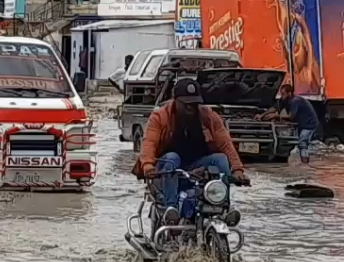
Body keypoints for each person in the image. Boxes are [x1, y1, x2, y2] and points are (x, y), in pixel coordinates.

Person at [132, 79, 249, 225]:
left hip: (196, 167)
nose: (191, 107)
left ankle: (224, 207)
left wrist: (237, 170)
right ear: (176, 101)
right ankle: (171, 208)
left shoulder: (208, 116)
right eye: (186, 104)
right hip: (166, 169)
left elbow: (225, 143)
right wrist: (148, 166)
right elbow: (149, 143)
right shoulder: (160, 117)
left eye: (194, 104)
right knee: (172, 158)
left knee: (220, 159)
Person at [257, 84, 319, 164]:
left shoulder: (296, 101)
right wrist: (262, 115)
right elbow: (274, 108)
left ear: (289, 93)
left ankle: (305, 164)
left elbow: (291, 117)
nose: (282, 96)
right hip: (301, 123)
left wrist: (276, 116)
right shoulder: (285, 100)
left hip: (309, 124)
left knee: (302, 143)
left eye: (283, 94)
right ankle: (304, 162)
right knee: (301, 143)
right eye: (281, 94)